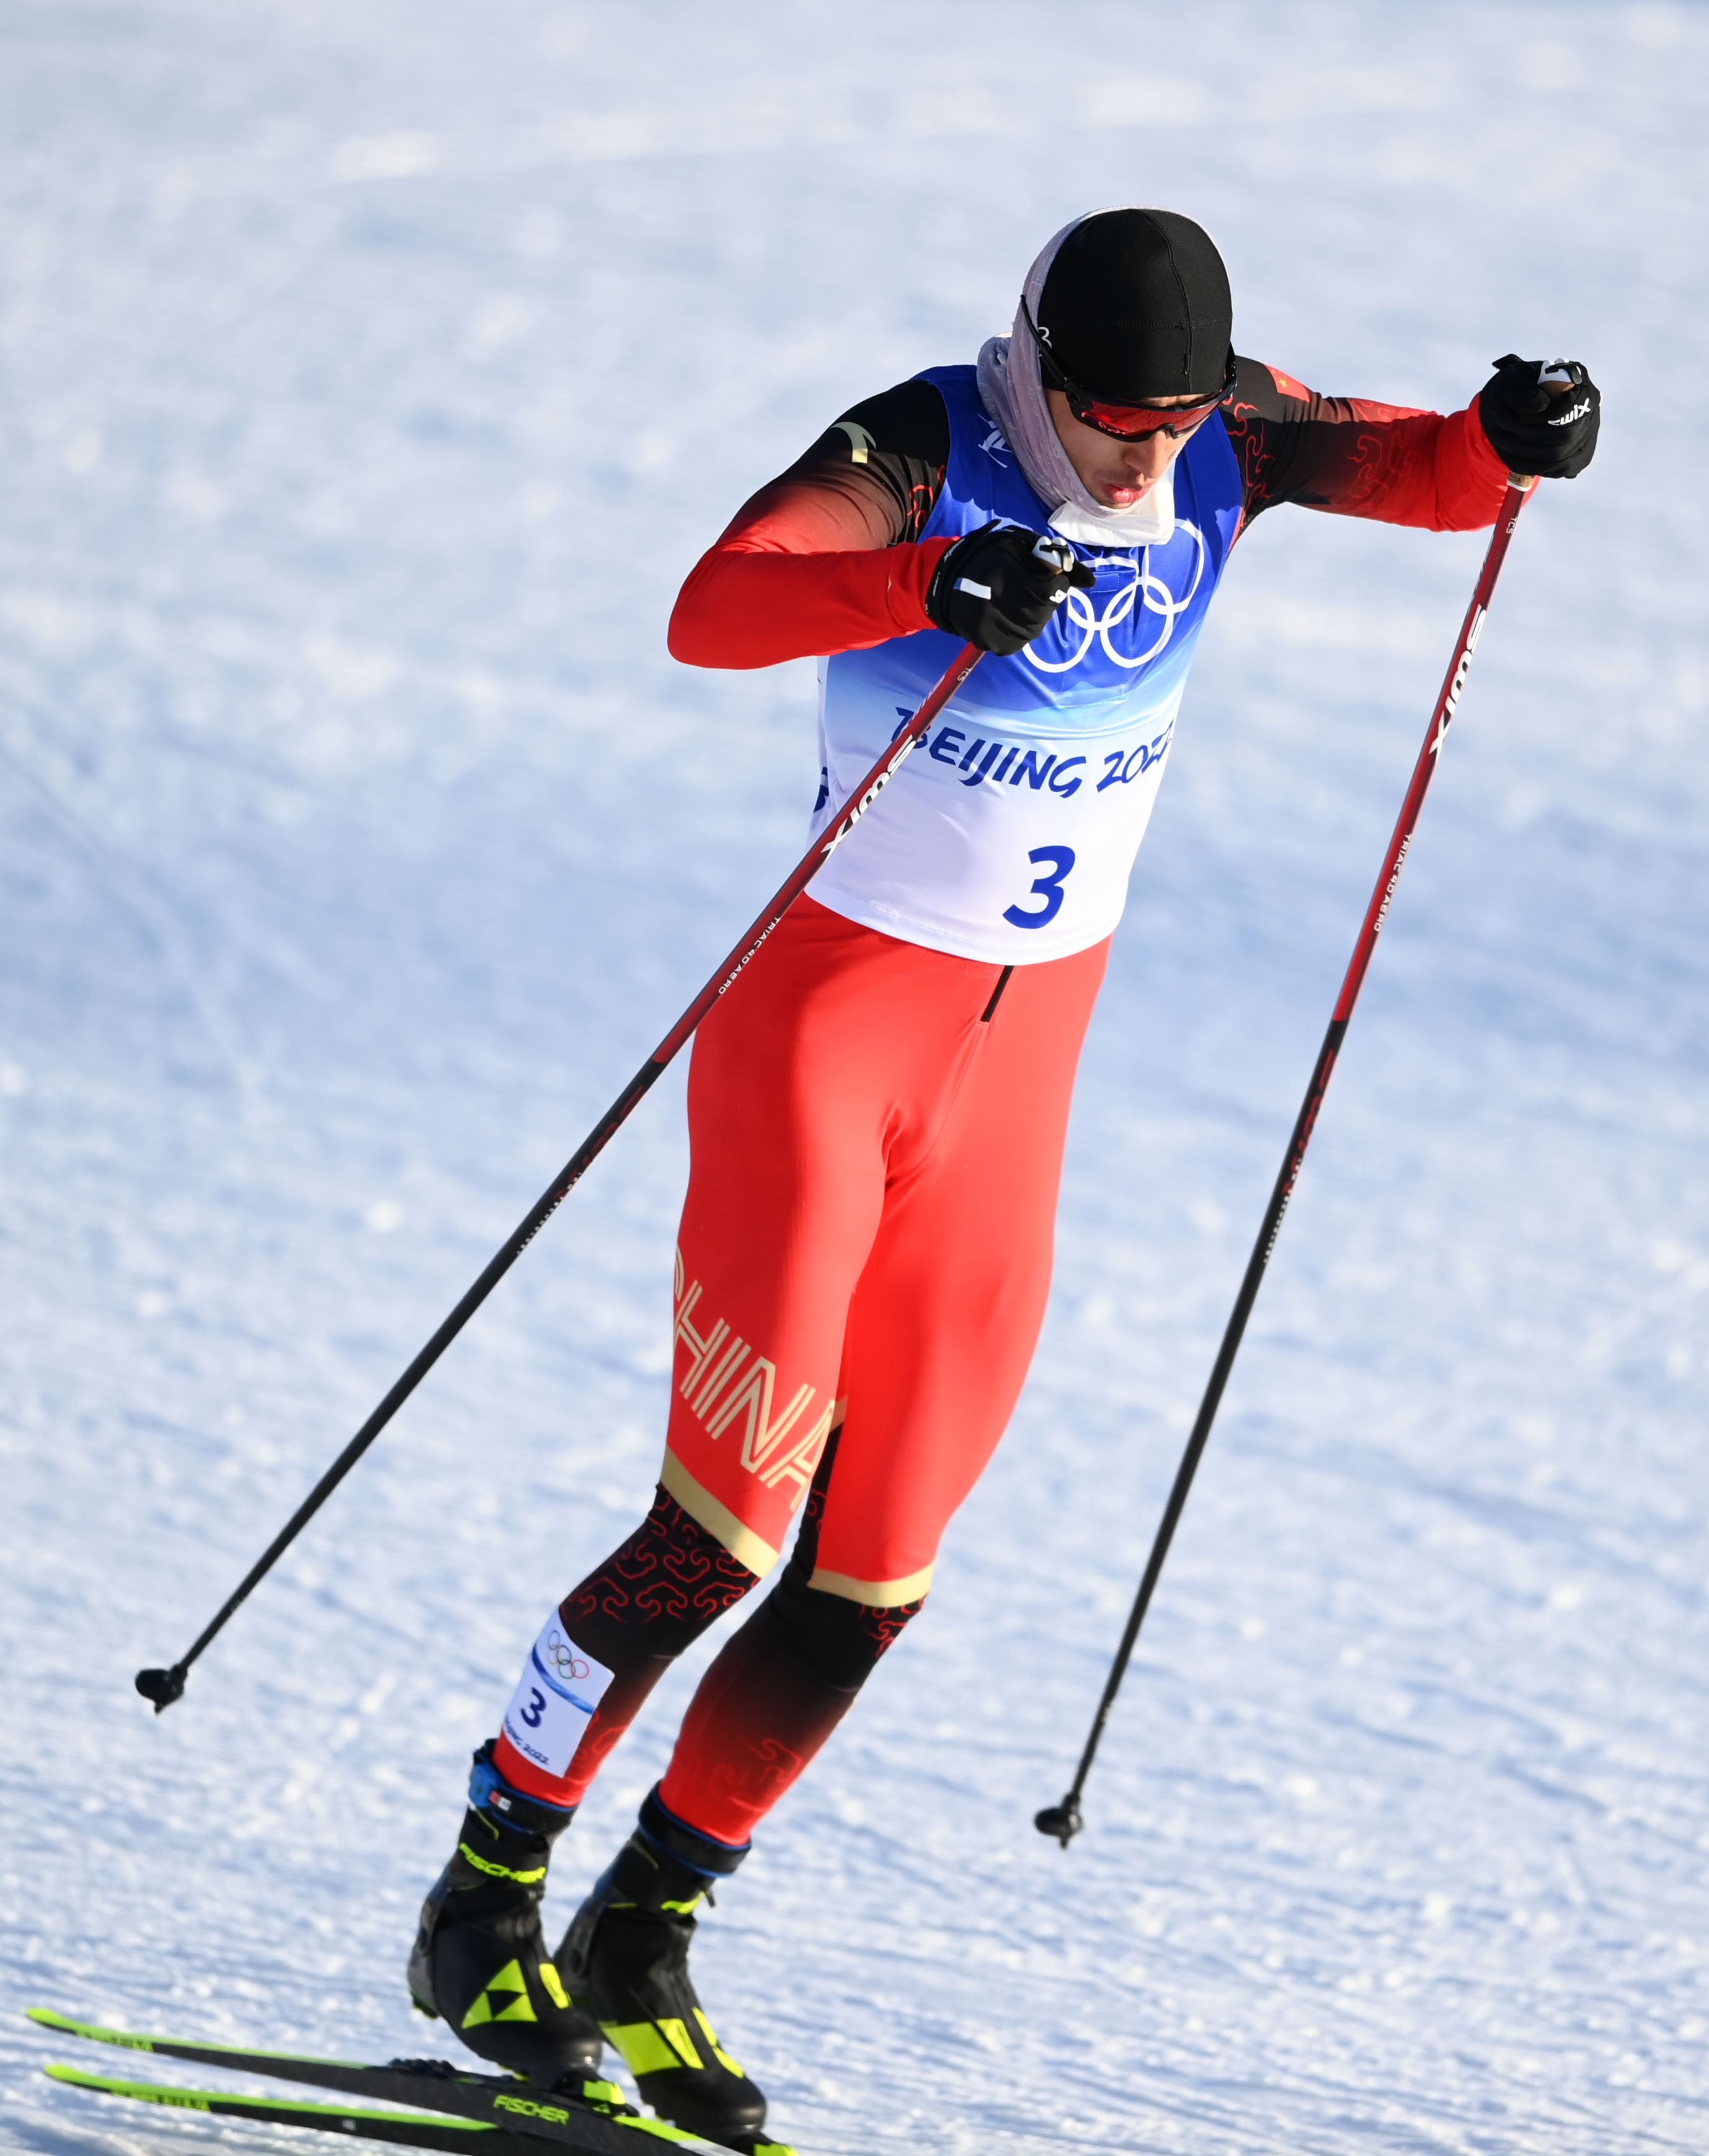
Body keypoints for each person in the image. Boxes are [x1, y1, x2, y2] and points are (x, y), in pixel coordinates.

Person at [406, 207, 1597, 2151]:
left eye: (1173, 423)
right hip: (823, 1046)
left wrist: (1510, 432)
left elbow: (1420, 474)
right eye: (1112, 419)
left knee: (872, 1572)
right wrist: (924, 583)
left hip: (1012, 1092)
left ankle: (645, 1933)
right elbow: (714, 603)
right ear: (1037, 369)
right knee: (719, 1530)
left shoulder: (1230, 433)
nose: (1143, 460)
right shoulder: (916, 447)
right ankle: (483, 1895)